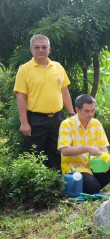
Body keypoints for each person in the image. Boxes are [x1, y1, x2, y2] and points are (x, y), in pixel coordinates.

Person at [13, 34, 75, 170]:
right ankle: (37, 190)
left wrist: (71, 115)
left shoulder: (58, 67)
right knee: (34, 155)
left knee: (58, 154)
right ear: (31, 50)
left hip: (58, 119)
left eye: (44, 47)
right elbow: (21, 97)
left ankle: (58, 187)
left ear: (49, 49)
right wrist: (24, 122)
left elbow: (65, 92)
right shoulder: (24, 70)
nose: (40, 50)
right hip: (35, 120)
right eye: (37, 47)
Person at [57, 94, 110, 194]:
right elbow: (65, 151)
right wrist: (86, 148)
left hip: (95, 165)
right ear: (77, 110)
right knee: (93, 187)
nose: (91, 114)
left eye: (93, 110)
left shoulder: (96, 123)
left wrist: (105, 162)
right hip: (76, 166)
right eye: (87, 111)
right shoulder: (67, 124)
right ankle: (90, 186)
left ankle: (91, 186)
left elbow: (103, 147)